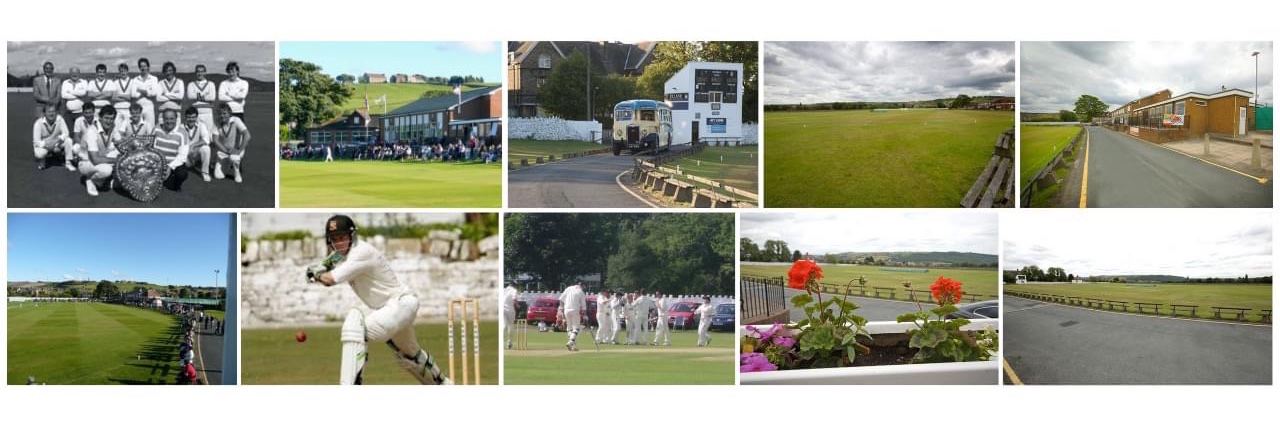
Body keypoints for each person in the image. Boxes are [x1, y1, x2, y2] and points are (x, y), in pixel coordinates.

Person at [306, 215, 450, 385]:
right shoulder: (342, 254)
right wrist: (319, 269)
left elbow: (330, 279)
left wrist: (316, 273)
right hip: (393, 308)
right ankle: (445, 385)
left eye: (343, 237)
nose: (339, 243)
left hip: (399, 304)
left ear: (352, 236)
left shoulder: (361, 252)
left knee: (355, 327)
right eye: (334, 239)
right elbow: (328, 264)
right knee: (411, 354)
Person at [78, 105, 120, 196]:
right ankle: (91, 180)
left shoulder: (113, 126)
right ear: (100, 117)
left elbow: (120, 143)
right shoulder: (91, 131)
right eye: (106, 118)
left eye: (111, 119)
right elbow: (95, 159)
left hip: (101, 156)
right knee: (107, 170)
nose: (109, 121)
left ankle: (107, 180)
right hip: (86, 162)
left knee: (121, 153)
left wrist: (133, 146)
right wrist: (116, 160)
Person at [152, 104, 191, 191]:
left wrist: (169, 167)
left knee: (182, 173)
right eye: (166, 119)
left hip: (173, 163)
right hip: (158, 162)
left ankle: (175, 185)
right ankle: (163, 180)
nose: (169, 121)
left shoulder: (182, 133)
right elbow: (151, 147)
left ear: (176, 119)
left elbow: (182, 156)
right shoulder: (156, 128)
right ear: (163, 119)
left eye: (171, 118)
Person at [212, 103, 250, 182]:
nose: (222, 116)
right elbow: (215, 140)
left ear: (230, 113)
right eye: (220, 114)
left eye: (224, 113)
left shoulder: (236, 120)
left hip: (236, 150)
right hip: (223, 151)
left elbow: (247, 135)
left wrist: (239, 150)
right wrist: (226, 151)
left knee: (234, 157)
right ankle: (226, 164)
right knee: (218, 176)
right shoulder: (217, 122)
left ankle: (237, 172)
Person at [32, 104, 72, 171]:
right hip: (45, 144)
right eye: (49, 112)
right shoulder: (38, 123)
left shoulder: (60, 119)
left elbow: (66, 133)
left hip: (56, 143)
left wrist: (57, 141)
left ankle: (68, 162)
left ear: (56, 112)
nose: (51, 114)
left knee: (68, 140)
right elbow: (36, 141)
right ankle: (42, 161)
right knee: (39, 154)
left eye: (53, 111)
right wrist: (47, 145)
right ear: (44, 113)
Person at [181, 106, 213, 181]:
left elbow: (206, 139)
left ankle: (205, 172)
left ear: (196, 117)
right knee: (185, 167)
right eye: (189, 117)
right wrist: (188, 150)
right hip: (186, 154)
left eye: (193, 117)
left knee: (206, 148)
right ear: (185, 117)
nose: (191, 119)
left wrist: (194, 145)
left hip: (196, 151)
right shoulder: (181, 127)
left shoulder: (201, 125)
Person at [186, 64, 217, 132]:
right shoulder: (191, 84)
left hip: (208, 113)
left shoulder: (211, 84)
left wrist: (197, 95)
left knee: (209, 134)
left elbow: (212, 97)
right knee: (196, 133)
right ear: (195, 73)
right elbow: (190, 96)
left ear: (205, 73)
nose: (200, 74)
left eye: (202, 71)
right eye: (198, 72)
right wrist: (205, 95)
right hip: (195, 113)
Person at [130, 58, 159, 129]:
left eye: (144, 66)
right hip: (138, 108)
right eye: (141, 66)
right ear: (139, 67)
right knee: (138, 129)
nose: (143, 68)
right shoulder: (135, 79)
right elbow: (133, 94)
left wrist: (140, 91)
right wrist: (147, 92)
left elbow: (154, 93)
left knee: (150, 129)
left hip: (149, 107)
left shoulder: (153, 79)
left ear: (148, 67)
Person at [558, 282, 586, 351]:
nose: (584, 288)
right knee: (576, 328)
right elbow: (584, 306)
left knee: (570, 329)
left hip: (566, 310)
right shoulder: (581, 292)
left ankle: (573, 346)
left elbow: (561, 299)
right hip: (575, 310)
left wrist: (561, 309)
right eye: (584, 287)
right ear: (582, 286)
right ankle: (571, 341)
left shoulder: (569, 288)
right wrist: (585, 315)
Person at [501, 283, 518, 350]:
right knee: (510, 326)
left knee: (504, 325)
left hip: (502, 309)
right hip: (510, 310)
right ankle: (509, 343)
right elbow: (514, 299)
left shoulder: (503, 290)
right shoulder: (514, 290)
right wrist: (517, 305)